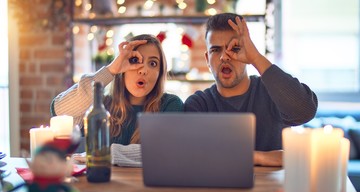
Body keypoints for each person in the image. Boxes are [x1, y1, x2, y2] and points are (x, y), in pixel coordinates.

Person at [184, 13, 318, 167]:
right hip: (219, 190)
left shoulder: (272, 91)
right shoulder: (199, 104)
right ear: (207, 59)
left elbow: (306, 110)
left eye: (233, 48)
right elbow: (196, 155)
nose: (224, 57)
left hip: (272, 189)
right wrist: (260, 157)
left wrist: (255, 57)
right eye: (216, 50)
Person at [51, 34, 184, 146]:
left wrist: (102, 152)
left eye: (153, 63)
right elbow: (59, 110)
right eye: (135, 60)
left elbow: (162, 152)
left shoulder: (170, 105)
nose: (143, 70)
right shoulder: (99, 106)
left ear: (160, 73)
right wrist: (111, 70)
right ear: (122, 68)